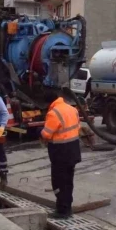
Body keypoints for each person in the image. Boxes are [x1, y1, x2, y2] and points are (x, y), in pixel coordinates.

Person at [40, 90, 81, 219]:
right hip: (73, 149)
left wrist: (39, 131)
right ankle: (67, 208)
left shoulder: (53, 113)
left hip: (60, 153)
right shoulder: (71, 108)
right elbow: (77, 127)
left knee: (58, 183)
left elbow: (46, 134)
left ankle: (62, 211)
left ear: (49, 103)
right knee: (68, 181)